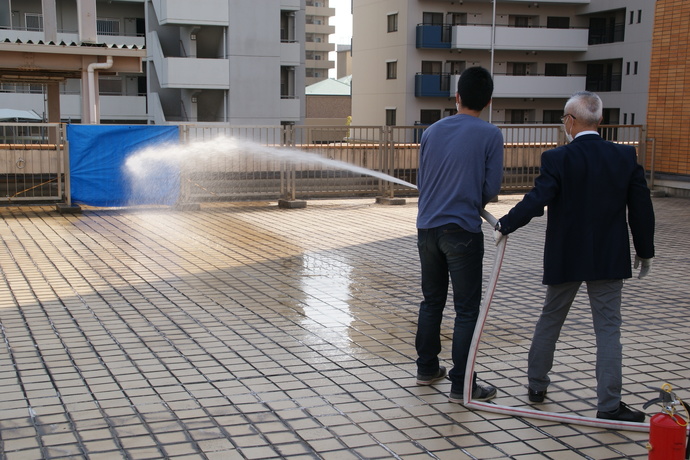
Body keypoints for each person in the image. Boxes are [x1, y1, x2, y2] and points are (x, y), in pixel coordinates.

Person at [495, 91, 654, 422]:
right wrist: (644, 251)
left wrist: (506, 224)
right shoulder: (624, 157)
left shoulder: (558, 159)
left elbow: (537, 200)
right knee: (609, 330)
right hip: (609, 257)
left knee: (551, 319)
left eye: (563, 119)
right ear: (599, 121)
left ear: (570, 121)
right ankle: (609, 406)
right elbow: (641, 208)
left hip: (566, 255)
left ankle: (537, 386)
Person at [415, 66, 504, 404]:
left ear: (457, 96)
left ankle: (426, 368)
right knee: (466, 311)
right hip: (463, 231)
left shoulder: (432, 132)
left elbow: (424, 182)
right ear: (488, 101)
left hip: (427, 229)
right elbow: (491, 187)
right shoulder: (490, 134)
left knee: (431, 301)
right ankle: (462, 385)